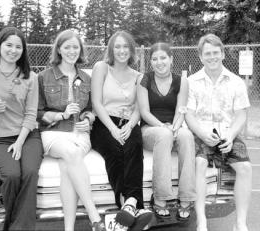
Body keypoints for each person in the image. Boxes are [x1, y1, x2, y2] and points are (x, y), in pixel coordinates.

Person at [0, 27, 43, 231]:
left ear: (23, 50)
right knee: (11, 175)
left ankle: (20, 227)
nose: (13, 50)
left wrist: (20, 142)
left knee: (30, 173)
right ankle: (13, 224)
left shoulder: (31, 77)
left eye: (18, 46)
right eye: (9, 45)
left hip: (28, 136)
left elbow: (31, 114)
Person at [37, 30, 105, 231]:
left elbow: (91, 109)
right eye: (67, 47)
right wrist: (60, 115)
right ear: (59, 49)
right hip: (53, 133)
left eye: (76, 47)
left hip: (80, 134)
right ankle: (94, 216)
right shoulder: (43, 76)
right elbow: (38, 112)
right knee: (71, 154)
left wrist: (88, 119)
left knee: (68, 167)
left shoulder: (86, 78)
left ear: (81, 50)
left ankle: (69, 228)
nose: (72, 51)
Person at [185, 33, 252, 231]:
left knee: (246, 168)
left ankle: (240, 223)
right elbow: (189, 115)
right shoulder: (192, 81)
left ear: (223, 54)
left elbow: (240, 115)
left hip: (228, 134)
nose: (212, 57)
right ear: (200, 57)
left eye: (216, 52)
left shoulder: (236, 82)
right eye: (207, 53)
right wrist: (203, 134)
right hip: (201, 134)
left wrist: (230, 136)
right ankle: (201, 221)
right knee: (200, 163)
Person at [90, 30, 152, 231]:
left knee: (134, 147)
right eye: (117, 46)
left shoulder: (138, 76)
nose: (121, 50)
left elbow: (138, 108)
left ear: (131, 50)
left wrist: (130, 125)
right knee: (115, 151)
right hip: (104, 122)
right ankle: (132, 202)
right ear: (111, 49)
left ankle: (128, 207)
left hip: (129, 122)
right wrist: (113, 129)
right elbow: (97, 103)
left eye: (126, 46)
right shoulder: (101, 68)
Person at [137, 42, 196, 220]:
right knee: (163, 135)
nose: (159, 62)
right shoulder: (144, 80)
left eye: (163, 58)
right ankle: (160, 198)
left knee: (187, 136)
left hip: (174, 126)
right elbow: (144, 112)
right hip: (151, 129)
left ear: (171, 59)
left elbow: (181, 109)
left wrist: (176, 127)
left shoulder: (181, 81)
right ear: (150, 62)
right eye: (154, 59)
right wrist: (164, 127)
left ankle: (186, 198)